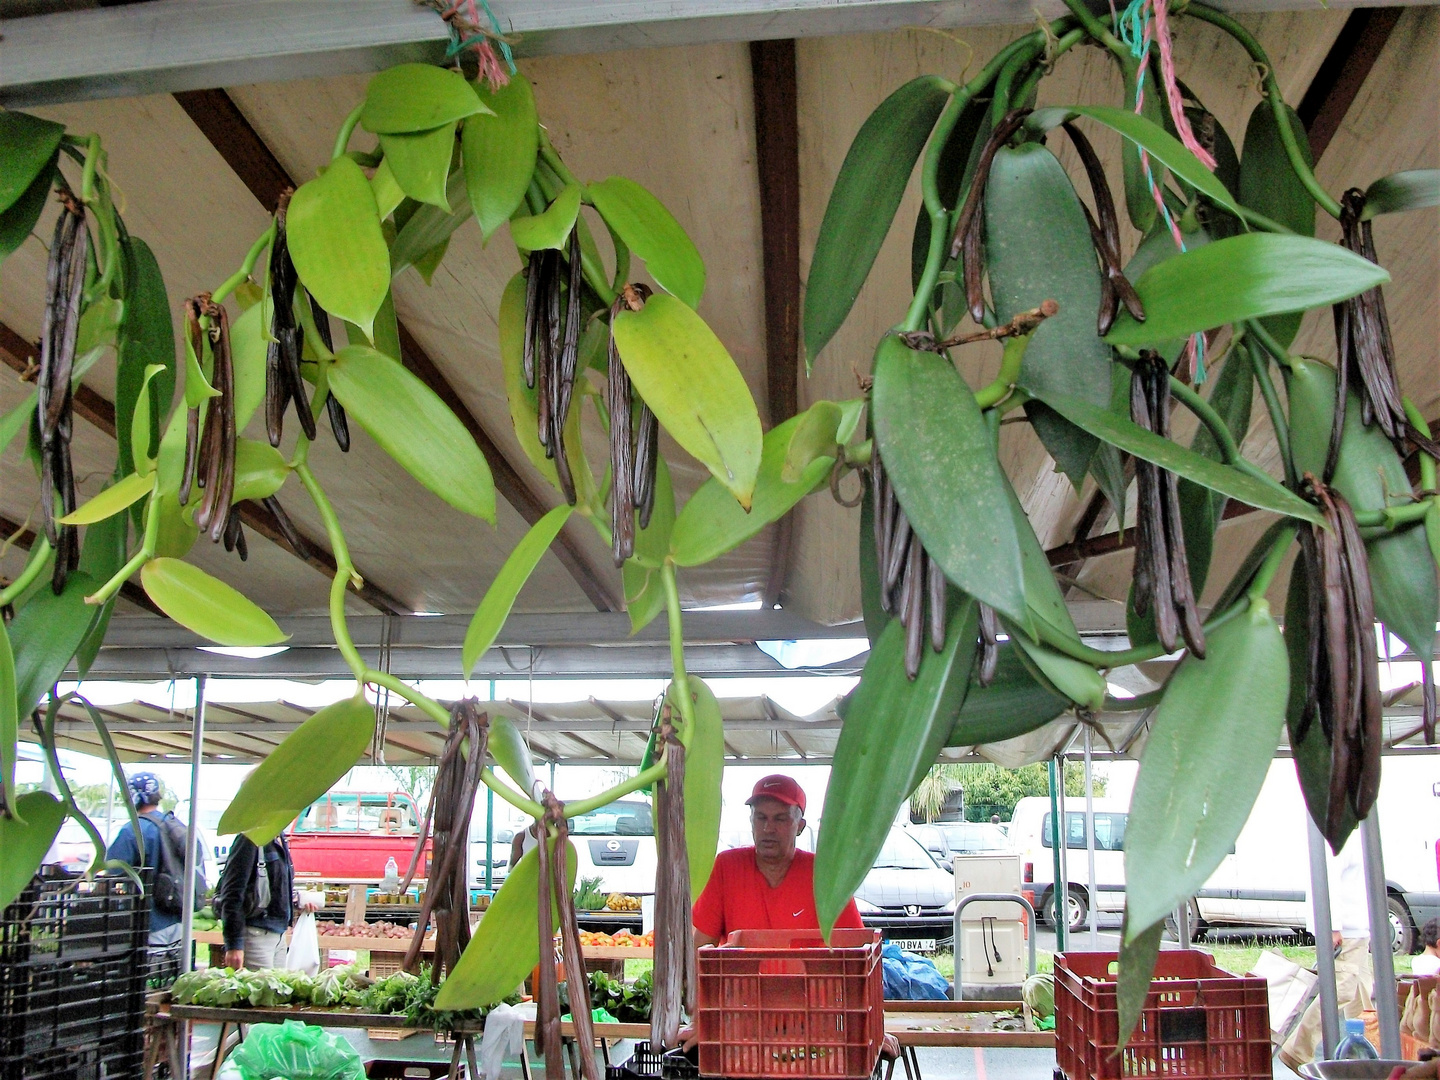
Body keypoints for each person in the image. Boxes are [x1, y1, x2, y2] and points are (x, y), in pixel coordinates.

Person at [688, 775, 898, 1057]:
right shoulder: (727, 867)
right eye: (760, 817)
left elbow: (861, 958)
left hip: (815, 1034)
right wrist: (702, 1020)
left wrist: (872, 1029)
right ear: (750, 821)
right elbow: (698, 950)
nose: (768, 828)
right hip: (741, 1031)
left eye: (780, 819)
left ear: (799, 826)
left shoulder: (824, 875)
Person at [1280, 834, 1375, 1070]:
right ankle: (1297, 1050)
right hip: (1346, 931)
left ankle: (1368, 1057)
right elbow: (1326, 882)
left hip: (1356, 929)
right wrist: (1332, 927)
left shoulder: (1354, 834)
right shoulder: (1339, 837)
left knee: (1361, 995)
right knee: (1340, 990)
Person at [106, 772, 204, 948]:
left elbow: (112, 873)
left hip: (149, 921)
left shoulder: (133, 830)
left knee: (147, 973)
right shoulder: (176, 825)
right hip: (179, 919)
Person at [217, 831, 317, 970]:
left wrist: (296, 902)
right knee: (259, 990)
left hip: (279, 935)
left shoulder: (279, 837)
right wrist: (234, 944)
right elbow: (232, 893)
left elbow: (275, 885)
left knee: (277, 990)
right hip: (255, 934)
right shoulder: (250, 838)